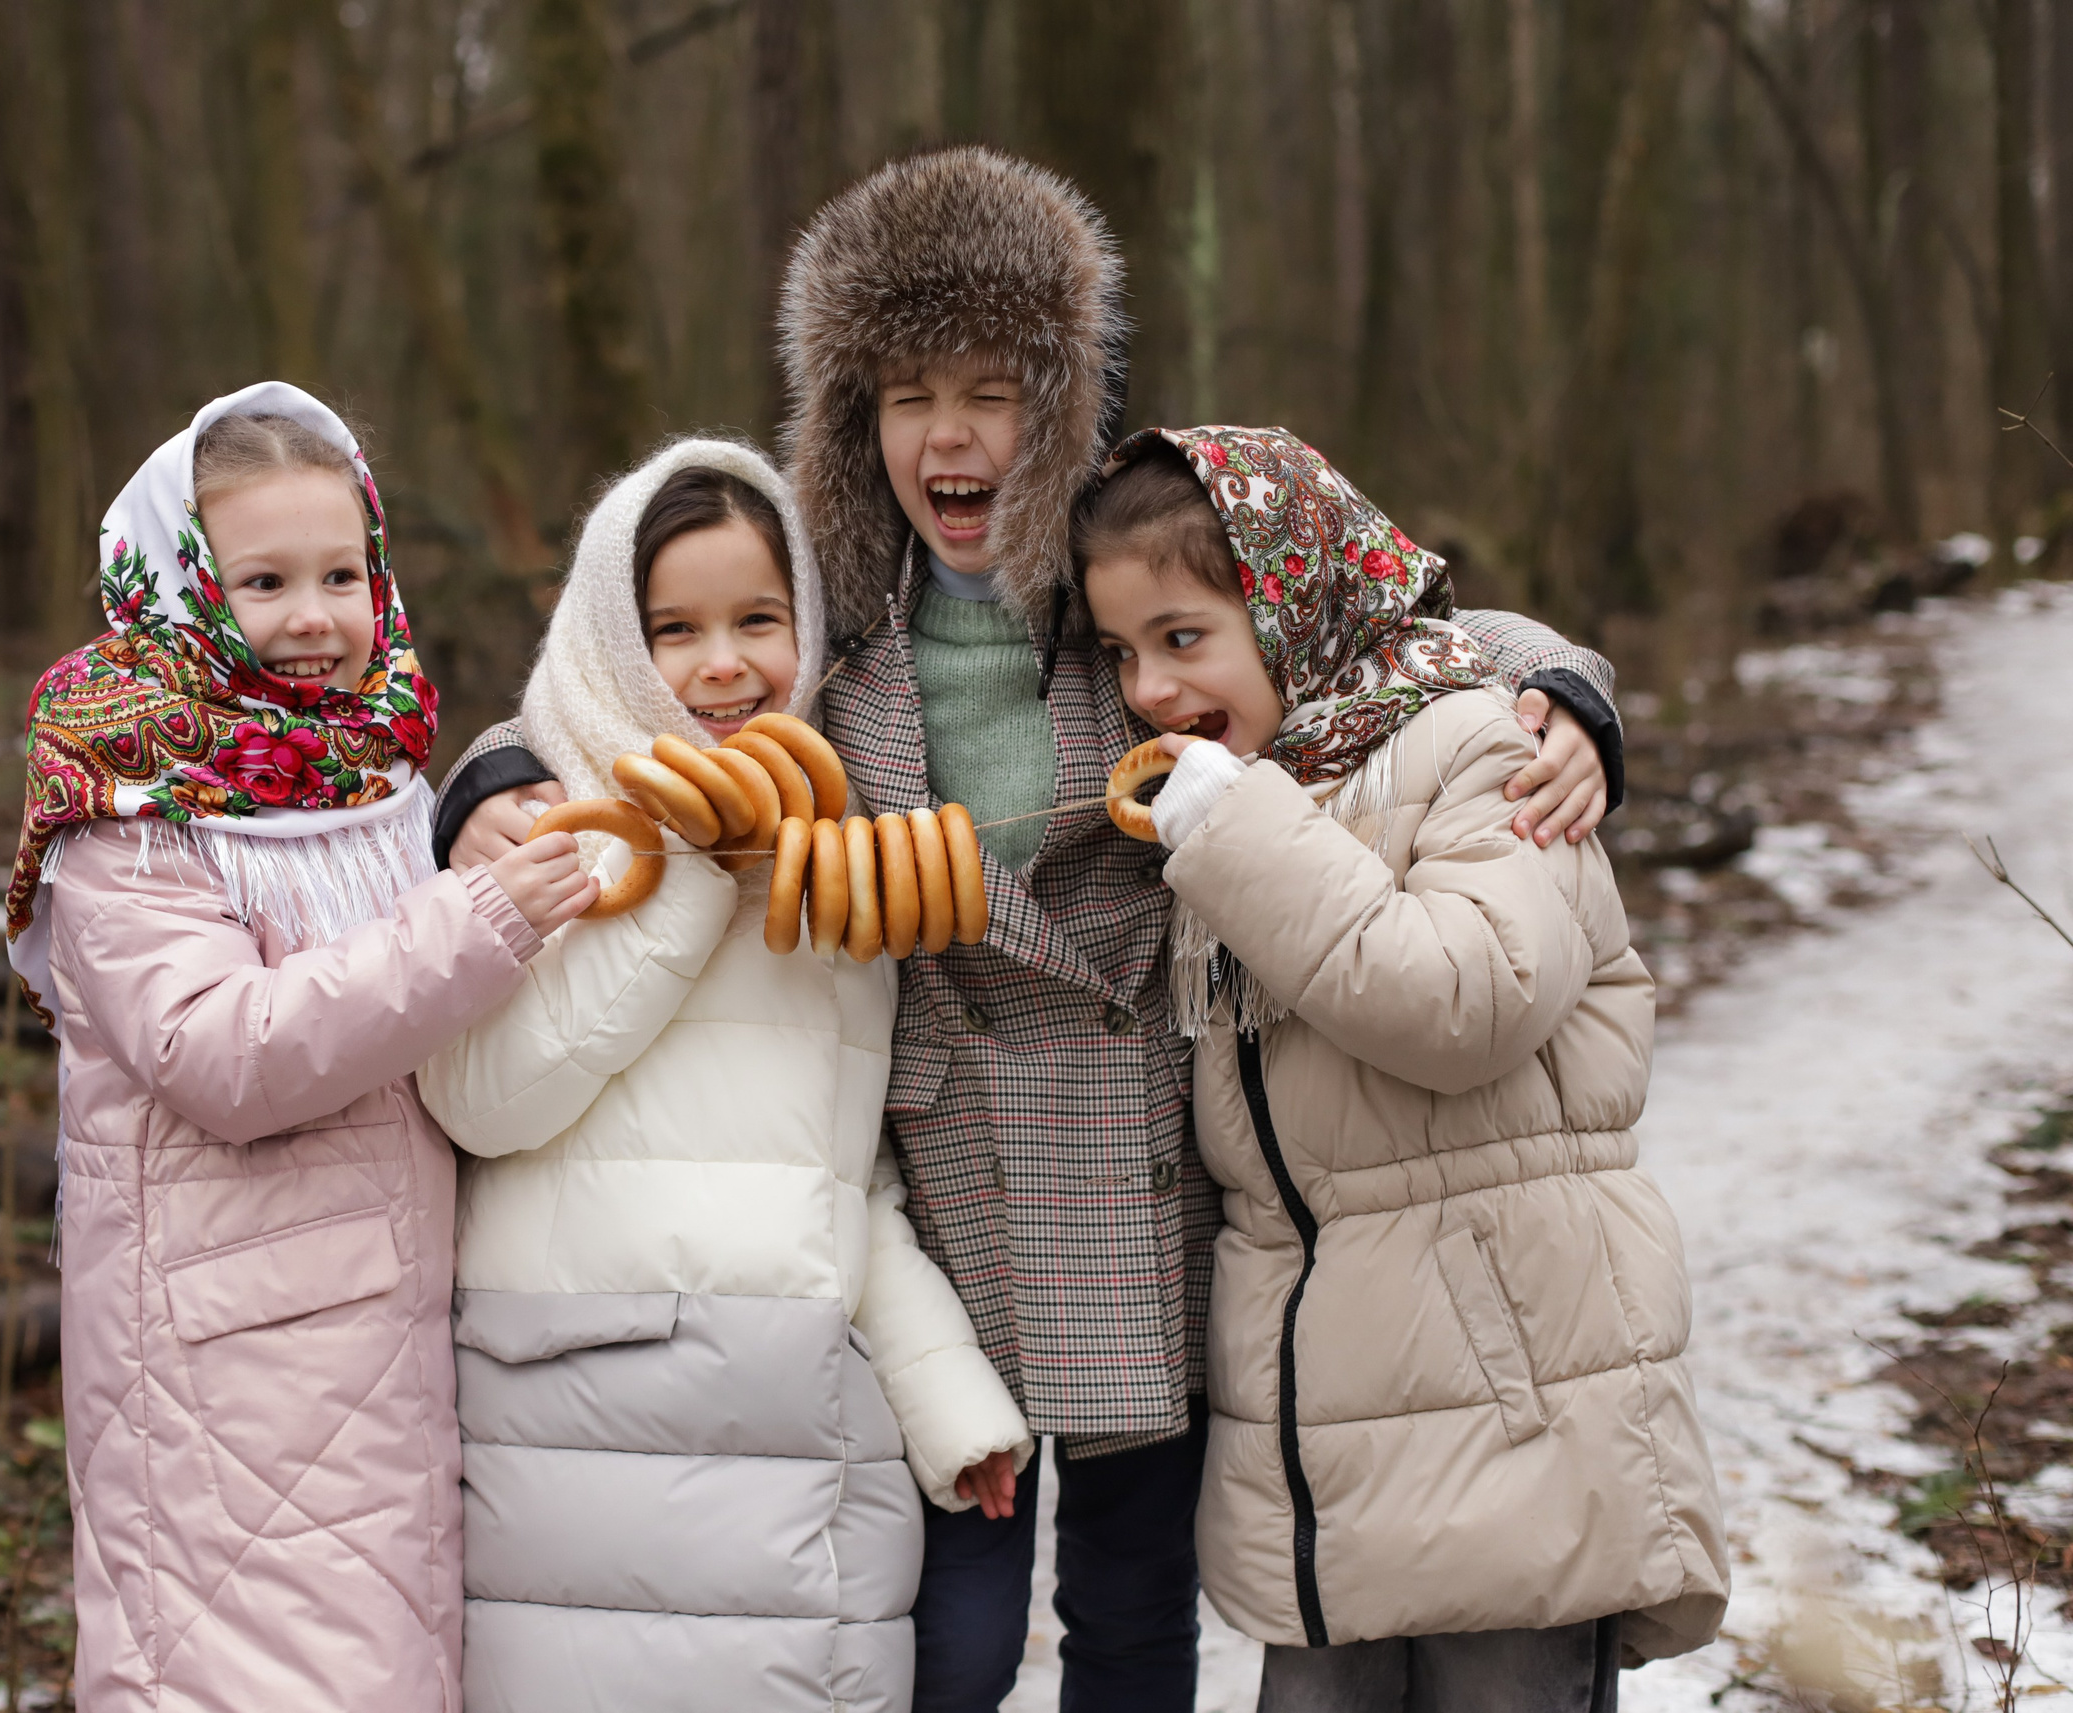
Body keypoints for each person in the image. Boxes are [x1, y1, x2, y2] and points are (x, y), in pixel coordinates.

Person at [435, 149, 1627, 1712]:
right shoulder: (826, 629)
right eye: (907, 395)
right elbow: (614, 692)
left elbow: (1387, 621)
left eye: (992, 392)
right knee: (957, 1632)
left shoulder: (1138, 594)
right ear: (855, 425)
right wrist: (488, 778)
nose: (950, 435)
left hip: (1145, 1172)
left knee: (1130, 1612)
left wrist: (1566, 684)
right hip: (945, 1191)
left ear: (1060, 408)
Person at [1078, 426, 1727, 1712]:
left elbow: (1464, 1000)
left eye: (1183, 636)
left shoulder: (1475, 746)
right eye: (1119, 653)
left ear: (1294, 605)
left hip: (1514, 1422)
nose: (1147, 687)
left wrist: (1238, 834)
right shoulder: (1254, 792)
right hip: (1331, 1452)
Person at [4, 383, 596, 1712]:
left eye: (341, 575)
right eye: (263, 582)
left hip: (382, 1338)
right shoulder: (129, 809)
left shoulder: (368, 768)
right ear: (178, 584)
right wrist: (481, 916)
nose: (315, 616)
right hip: (225, 1374)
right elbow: (227, 1056)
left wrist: (478, 820)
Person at [416, 438, 1032, 1713]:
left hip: (791, 1423)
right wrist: (687, 874)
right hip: (577, 1423)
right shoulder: (539, 830)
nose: (723, 664)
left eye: (758, 619)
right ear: (611, 638)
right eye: (674, 629)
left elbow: (842, 1180)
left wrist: (942, 1393)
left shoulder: (836, 875)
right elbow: (480, 1102)